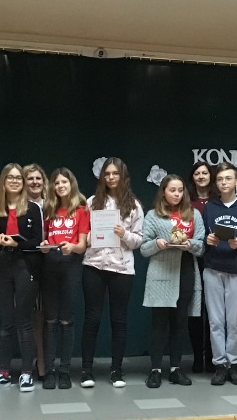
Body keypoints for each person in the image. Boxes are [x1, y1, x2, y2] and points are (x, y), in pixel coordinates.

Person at [80, 157, 144, 388]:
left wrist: (123, 234)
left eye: (115, 173)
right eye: (107, 174)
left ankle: (117, 370)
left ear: (122, 176)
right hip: (94, 265)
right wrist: (90, 237)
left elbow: (138, 240)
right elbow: (82, 234)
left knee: (119, 319)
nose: (111, 177)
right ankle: (86, 370)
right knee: (92, 318)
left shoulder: (134, 205)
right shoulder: (91, 202)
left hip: (121, 268)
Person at [0, 163, 44, 392]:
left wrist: (17, 244)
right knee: (6, 321)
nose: (15, 181)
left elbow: (37, 242)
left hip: (25, 266)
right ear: (3, 181)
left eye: (19, 178)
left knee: (24, 320)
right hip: (2, 266)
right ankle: (3, 372)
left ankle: (26, 373)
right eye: (10, 177)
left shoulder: (33, 208)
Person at [141, 174, 205, 387]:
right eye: (172, 190)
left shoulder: (193, 214)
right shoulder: (153, 215)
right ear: (163, 192)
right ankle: (155, 370)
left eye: (180, 190)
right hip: (161, 272)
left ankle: (176, 369)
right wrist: (157, 244)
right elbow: (144, 248)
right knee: (159, 323)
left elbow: (201, 246)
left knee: (180, 322)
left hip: (185, 270)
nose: (177, 194)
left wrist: (190, 245)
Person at [202, 163, 237, 386]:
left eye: (228, 178)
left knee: (234, 322)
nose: (224, 182)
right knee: (215, 321)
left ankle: (234, 365)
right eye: (220, 179)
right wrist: (207, 240)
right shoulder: (210, 207)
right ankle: (219, 365)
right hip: (213, 269)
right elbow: (202, 235)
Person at [40, 167, 89, 389]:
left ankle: (65, 371)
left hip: (71, 266)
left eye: (64, 182)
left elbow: (82, 245)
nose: (60, 186)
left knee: (66, 320)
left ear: (72, 184)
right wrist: (43, 246)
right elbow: (44, 239)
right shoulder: (48, 209)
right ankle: (49, 371)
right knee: (50, 320)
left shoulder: (81, 210)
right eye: (57, 183)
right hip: (50, 265)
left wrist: (72, 247)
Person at [187, 162, 216, 373]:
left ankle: (213, 357)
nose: (201, 176)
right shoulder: (186, 202)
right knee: (195, 311)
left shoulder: (218, 201)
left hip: (215, 260)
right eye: (197, 173)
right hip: (192, 261)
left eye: (205, 173)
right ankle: (198, 357)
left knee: (213, 312)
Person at [23, 163, 48, 377]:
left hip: (51, 266)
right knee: (29, 317)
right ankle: (32, 363)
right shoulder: (19, 207)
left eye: (38, 178)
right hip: (26, 266)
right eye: (30, 178)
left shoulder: (51, 205)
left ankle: (44, 362)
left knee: (47, 318)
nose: (34, 182)